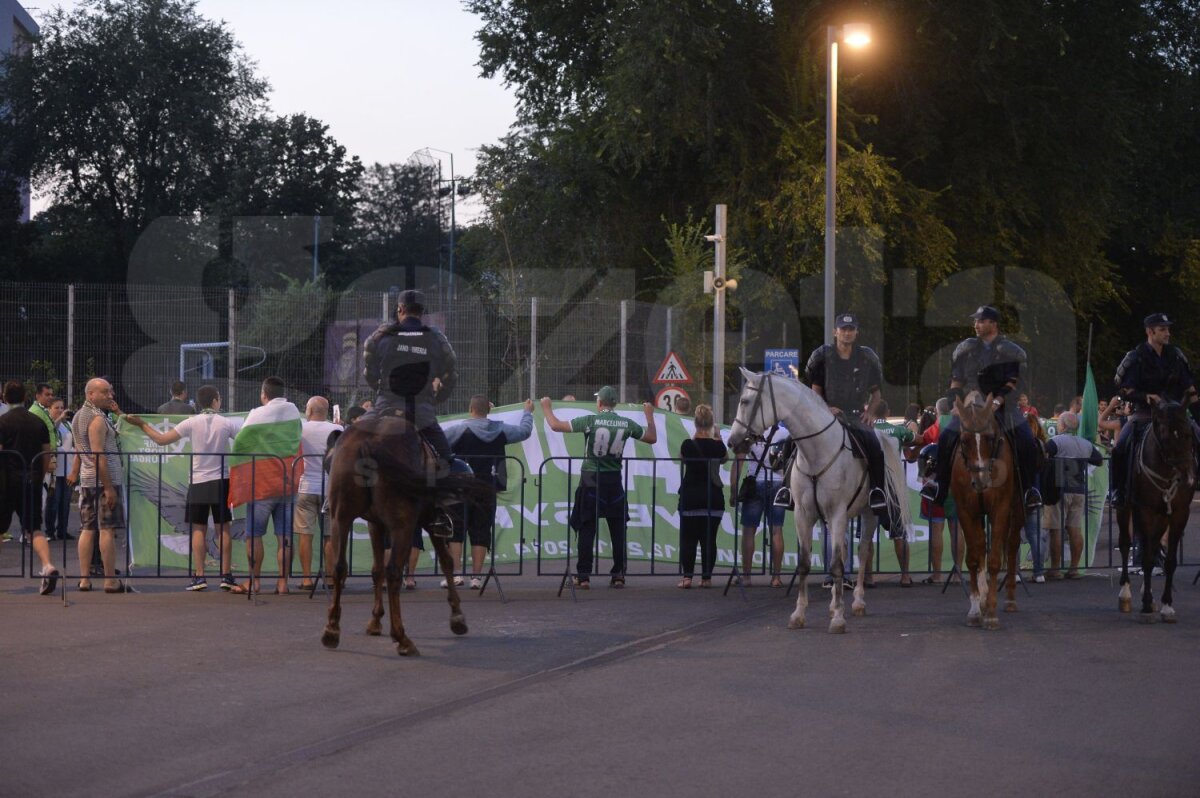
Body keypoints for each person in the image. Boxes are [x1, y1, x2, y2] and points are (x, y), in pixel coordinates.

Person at [920, 305, 1043, 512]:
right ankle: (939, 486)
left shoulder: (1010, 351)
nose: (975, 325)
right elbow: (956, 381)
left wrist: (997, 401)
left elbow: (1014, 383)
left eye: (980, 321)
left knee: (1027, 441)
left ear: (993, 324)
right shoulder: (966, 350)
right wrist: (955, 405)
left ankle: (1029, 490)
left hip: (1002, 407)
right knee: (946, 438)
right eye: (975, 321)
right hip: (970, 407)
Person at [363, 288, 464, 534]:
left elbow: (369, 373)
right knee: (447, 460)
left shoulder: (379, 335)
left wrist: (383, 392)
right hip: (422, 415)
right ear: (422, 312)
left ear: (399, 310)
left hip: (384, 409)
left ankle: (335, 498)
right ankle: (441, 511)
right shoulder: (436, 338)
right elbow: (451, 374)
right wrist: (437, 399)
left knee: (346, 441)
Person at [125, 385, 244, 591]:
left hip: (198, 480)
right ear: (216, 400)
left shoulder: (191, 422)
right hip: (221, 480)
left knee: (198, 528)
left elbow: (162, 440)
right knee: (222, 527)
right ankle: (226, 575)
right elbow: (244, 442)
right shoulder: (226, 422)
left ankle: (199, 576)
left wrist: (142, 424)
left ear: (199, 402)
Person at [541, 387, 657, 588]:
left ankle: (583, 576)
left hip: (591, 480)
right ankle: (619, 574)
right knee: (618, 529)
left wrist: (546, 407)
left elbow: (555, 425)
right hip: (614, 481)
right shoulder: (626, 423)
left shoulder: (590, 421)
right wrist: (649, 416)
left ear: (600, 403)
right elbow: (651, 438)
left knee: (587, 528)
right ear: (615, 403)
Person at [801, 312, 893, 530]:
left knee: (874, 445)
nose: (847, 333)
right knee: (793, 441)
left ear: (856, 332)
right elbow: (814, 393)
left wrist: (870, 412)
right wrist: (825, 408)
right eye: (843, 329)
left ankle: (878, 493)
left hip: (853, 415)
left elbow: (876, 394)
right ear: (835, 332)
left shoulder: (866, 358)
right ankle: (787, 490)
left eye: (851, 329)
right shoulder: (822, 357)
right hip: (825, 414)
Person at [1109, 312, 1200, 508]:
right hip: (1144, 413)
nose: (1168, 333)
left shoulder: (1175, 355)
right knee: (1119, 448)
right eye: (1163, 329)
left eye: (1168, 329)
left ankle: (1193, 480)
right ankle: (1118, 490)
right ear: (1150, 332)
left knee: (1197, 435)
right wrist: (1147, 397)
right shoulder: (1137, 357)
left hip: (1175, 414)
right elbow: (1126, 390)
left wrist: (1193, 400)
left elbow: (1189, 387)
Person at [445, 395, 534, 589]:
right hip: (488, 487)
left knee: (455, 531)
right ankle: (476, 578)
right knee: (481, 531)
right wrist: (527, 412)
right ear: (489, 410)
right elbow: (525, 432)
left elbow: (438, 443)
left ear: (470, 409)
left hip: (460, 487)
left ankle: (456, 575)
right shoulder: (500, 429)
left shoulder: (459, 429)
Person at [229, 376, 303, 595]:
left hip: (261, 484)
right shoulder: (293, 412)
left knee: (254, 535)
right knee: (285, 536)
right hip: (288, 483)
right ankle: (283, 584)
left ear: (264, 394)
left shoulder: (256, 415)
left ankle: (254, 582)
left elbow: (241, 443)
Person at [0, 380, 63, 595]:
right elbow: (46, 453)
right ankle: (48, 566)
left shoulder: (3, 422)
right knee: (34, 528)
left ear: (4, 397)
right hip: (32, 479)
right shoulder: (38, 422)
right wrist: (41, 476)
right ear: (26, 397)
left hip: (6, 482)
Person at [70, 377, 127, 593]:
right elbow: (98, 454)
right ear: (90, 394)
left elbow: (81, 451)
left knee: (88, 529)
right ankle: (110, 580)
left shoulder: (78, 416)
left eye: (110, 391)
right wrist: (109, 487)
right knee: (106, 530)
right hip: (103, 481)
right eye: (105, 392)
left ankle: (85, 579)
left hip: (87, 480)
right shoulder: (96, 418)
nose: (110, 395)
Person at [1042, 411, 1104, 579]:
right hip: (1079, 489)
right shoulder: (1085, 444)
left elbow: (1042, 456)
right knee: (1075, 529)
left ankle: (1055, 569)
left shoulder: (1055, 442)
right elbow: (1099, 460)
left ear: (1061, 425)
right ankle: (1074, 568)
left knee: (1056, 529)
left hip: (1059, 489)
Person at [292, 396, 341, 591]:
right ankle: (330, 578)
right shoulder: (337, 430)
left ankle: (306, 579)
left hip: (305, 487)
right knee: (329, 535)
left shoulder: (301, 428)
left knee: (305, 534)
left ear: (310, 411)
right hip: (330, 488)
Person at [677, 403, 727, 588]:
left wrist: (696, 436)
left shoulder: (688, 445)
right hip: (713, 498)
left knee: (688, 538)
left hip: (690, 497)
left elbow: (682, 457)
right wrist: (718, 436)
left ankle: (687, 577)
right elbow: (724, 458)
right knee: (709, 539)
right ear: (712, 424)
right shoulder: (718, 446)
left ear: (695, 423)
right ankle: (706, 578)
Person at [731, 435, 787, 588]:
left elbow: (738, 464)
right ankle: (776, 577)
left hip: (755, 482)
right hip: (778, 482)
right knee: (776, 530)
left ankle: (747, 577)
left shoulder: (749, 433)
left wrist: (733, 491)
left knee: (749, 531)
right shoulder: (783, 432)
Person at [43, 400, 75, 542]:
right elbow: (52, 434)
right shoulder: (50, 423)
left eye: (62, 407)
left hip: (68, 468)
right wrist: (59, 418)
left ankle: (63, 530)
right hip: (55, 469)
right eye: (56, 407)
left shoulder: (67, 424)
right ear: (49, 409)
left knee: (65, 502)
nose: (60, 410)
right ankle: (49, 531)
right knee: (53, 501)